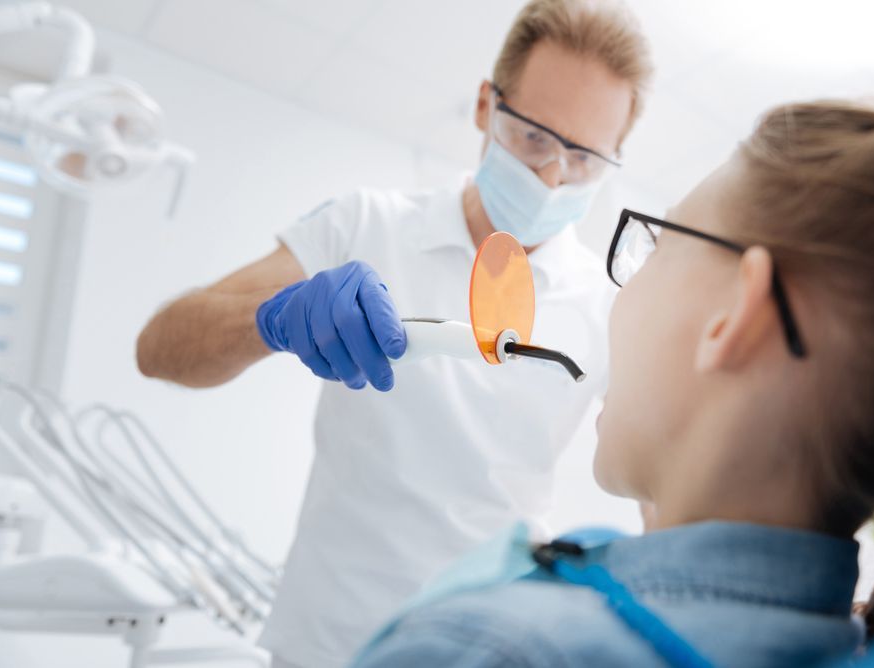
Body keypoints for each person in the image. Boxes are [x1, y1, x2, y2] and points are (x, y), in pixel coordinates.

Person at [350, 97, 874, 667]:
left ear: (734, 318)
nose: (624, 292)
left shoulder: (494, 650)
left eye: (655, 244)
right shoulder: (846, 640)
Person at [134, 1, 653, 665]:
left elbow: (662, 490)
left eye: (582, 158)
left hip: (488, 644)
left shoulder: (608, 306)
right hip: (327, 641)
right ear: (485, 106)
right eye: (532, 137)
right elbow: (159, 350)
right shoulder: (364, 225)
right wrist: (272, 318)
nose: (553, 176)